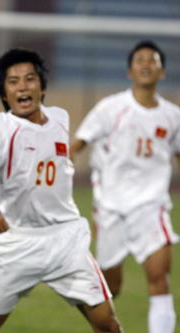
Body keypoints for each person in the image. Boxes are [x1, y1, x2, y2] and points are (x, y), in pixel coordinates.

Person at [0, 48, 123, 333]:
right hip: (17, 242)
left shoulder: (60, 118)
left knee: (108, 325)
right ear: (4, 95)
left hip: (66, 240)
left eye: (30, 78)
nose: (23, 86)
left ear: (42, 86)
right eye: (13, 81)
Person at [71, 40, 179, 333]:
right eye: (139, 60)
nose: (146, 64)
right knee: (110, 287)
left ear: (162, 72)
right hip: (111, 207)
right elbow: (76, 145)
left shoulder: (173, 116)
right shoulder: (111, 108)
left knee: (159, 279)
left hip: (151, 206)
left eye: (152, 60)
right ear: (130, 71)